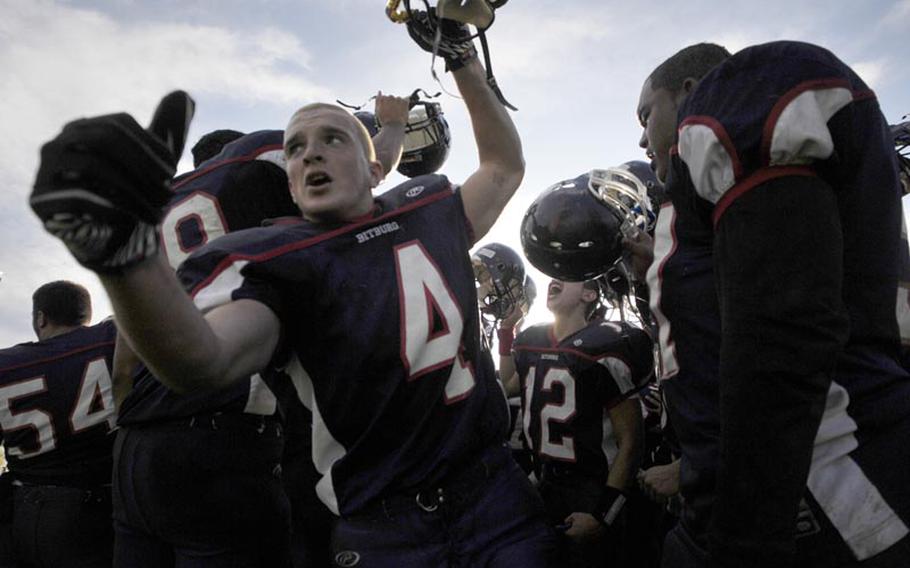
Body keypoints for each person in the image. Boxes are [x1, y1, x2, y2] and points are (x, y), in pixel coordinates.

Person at [30, 13, 555, 568]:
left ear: (374, 164)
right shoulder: (278, 261)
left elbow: (502, 167)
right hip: (384, 524)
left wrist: (461, 57)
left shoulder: (427, 210)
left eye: (332, 138)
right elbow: (201, 363)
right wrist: (125, 261)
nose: (311, 153)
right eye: (297, 147)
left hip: (493, 492)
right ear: (288, 181)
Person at [632, 41, 910, 566]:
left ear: (689, 92)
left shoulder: (734, 94)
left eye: (646, 114)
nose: (641, 135)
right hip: (779, 482)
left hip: (820, 486)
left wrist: (745, 537)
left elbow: (783, 331)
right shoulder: (702, 191)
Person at [108, 93, 411, 567]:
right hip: (224, 429)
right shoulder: (260, 160)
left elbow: (125, 358)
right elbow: (365, 170)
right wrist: (392, 126)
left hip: (137, 444)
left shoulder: (155, 206)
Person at [500, 278, 653, 567]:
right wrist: (507, 331)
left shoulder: (605, 346)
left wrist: (603, 515)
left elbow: (632, 441)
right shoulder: (532, 340)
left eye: (569, 278)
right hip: (545, 484)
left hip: (590, 489)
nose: (554, 281)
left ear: (589, 294)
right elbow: (507, 385)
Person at [0, 281, 117, 567]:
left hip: (29, 509)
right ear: (85, 316)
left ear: (41, 318)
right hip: (107, 506)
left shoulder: (6, 364)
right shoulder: (112, 338)